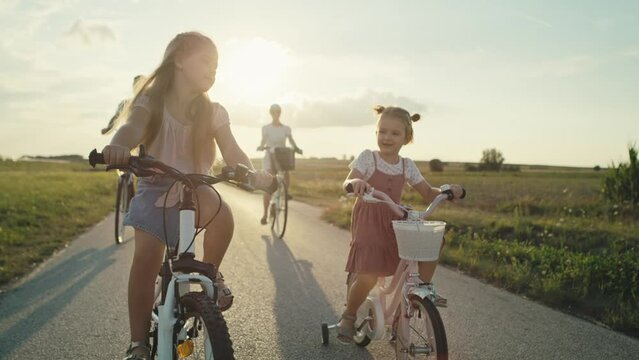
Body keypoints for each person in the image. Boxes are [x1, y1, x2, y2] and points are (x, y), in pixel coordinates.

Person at [101, 31, 272, 360]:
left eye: (217, 65)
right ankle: (138, 344)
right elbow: (132, 127)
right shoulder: (151, 101)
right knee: (146, 263)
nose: (213, 69)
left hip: (195, 189)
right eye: (206, 60)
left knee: (223, 214)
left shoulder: (214, 112)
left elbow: (233, 152)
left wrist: (251, 174)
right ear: (178, 61)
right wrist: (119, 146)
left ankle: (211, 274)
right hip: (155, 189)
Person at [336, 105, 464, 343]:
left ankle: (422, 290)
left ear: (407, 138)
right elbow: (349, 179)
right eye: (382, 131)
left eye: (395, 133)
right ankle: (349, 315)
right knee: (368, 275)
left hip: (394, 217)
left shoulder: (407, 165)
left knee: (429, 239)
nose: (387, 137)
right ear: (376, 132)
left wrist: (447, 191)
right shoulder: (368, 157)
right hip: (369, 218)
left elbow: (427, 192)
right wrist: (355, 182)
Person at [257, 104, 302, 225]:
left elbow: (291, 140)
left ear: (280, 113)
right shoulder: (266, 128)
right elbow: (264, 139)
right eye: (273, 111)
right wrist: (261, 146)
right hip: (270, 156)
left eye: (278, 111)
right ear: (270, 113)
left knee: (286, 171)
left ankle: (285, 192)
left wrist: (296, 148)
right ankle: (265, 215)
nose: (276, 113)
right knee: (269, 183)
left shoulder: (286, 128)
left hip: (281, 156)